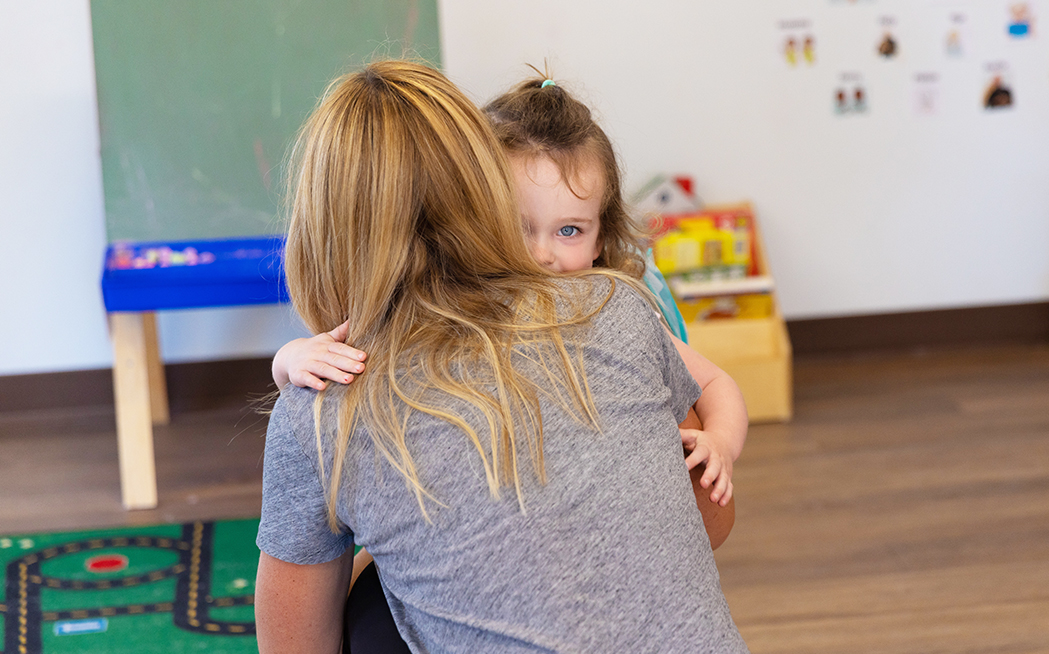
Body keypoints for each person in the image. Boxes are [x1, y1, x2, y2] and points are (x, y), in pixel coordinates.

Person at [255, 60, 749, 653]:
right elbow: (711, 523)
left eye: (570, 231)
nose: (548, 251)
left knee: (369, 611)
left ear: (321, 231)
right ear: (485, 188)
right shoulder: (616, 304)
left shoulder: (321, 408)